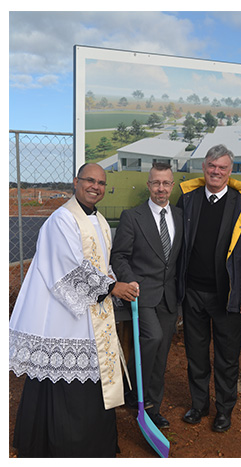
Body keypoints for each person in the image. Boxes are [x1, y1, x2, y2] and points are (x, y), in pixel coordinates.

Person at [9, 163, 139, 457]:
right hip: (65, 316)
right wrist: (110, 288)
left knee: (93, 383)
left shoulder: (101, 222)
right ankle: (62, 449)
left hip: (94, 315)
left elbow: (100, 266)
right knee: (63, 381)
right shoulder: (61, 219)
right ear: (75, 182)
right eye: (89, 181)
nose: (95, 187)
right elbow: (68, 268)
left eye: (101, 183)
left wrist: (117, 282)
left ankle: (94, 446)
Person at [177, 144, 241, 432]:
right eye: (212, 166)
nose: (216, 171)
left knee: (227, 358)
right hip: (193, 294)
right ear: (204, 168)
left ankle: (224, 410)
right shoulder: (187, 200)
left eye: (222, 167)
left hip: (229, 298)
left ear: (230, 171)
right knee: (196, 354)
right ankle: (199, 405)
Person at [111, 162, 183, 429]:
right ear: (148, 185)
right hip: (141, 292)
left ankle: (136, 394)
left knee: (162, 350)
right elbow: (119, 255)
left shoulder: (179, 216)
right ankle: (149, 407)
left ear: (172, 186)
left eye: (165, 183)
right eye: (156, 183)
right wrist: (128, 279)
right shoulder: (133, 216)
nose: (161, 188)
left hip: (169, 295)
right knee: (152, 338)